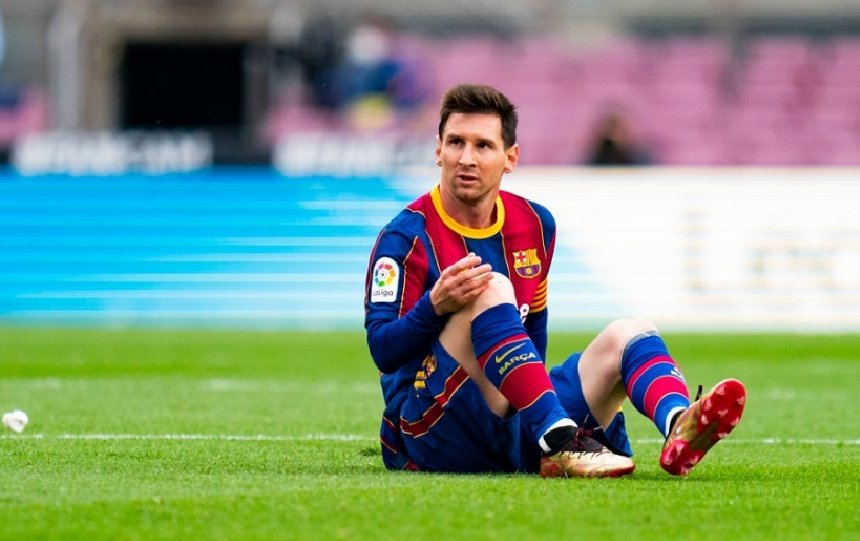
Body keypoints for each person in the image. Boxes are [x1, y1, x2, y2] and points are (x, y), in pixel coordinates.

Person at [363, 83, 745, 477]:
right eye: (456, 143)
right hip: (430, 431)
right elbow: (382, 350)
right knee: (490, 287)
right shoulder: (404, 238)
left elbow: (533, 332)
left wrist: (534, 405)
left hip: (516, 419)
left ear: (510, 158)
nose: (466, 158)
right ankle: (559, 439)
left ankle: (678, 422)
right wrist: (434, 307)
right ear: (438, 150)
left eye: (483, 146)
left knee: (630, 333)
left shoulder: (535, 224)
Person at [585, 105, 654, 166]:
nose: (614, 131)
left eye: (618, 127)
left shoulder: (639, 155)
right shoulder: (597, 154)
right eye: (611, 126)